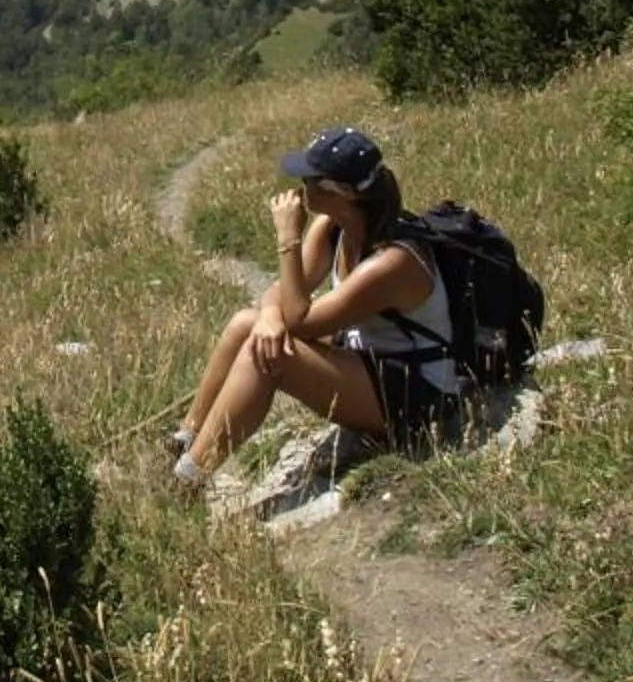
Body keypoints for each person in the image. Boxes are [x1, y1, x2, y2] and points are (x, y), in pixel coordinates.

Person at [172, 125, 462, 489]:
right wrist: (268, 315)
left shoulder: (392, 262)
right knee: (246, 324)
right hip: (371, 361)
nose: (298, 187)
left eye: (308, 179)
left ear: (335, 192)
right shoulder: (334, 226)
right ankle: (184, 441)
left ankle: (187, 482)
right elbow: (282, 292)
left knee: (268, 356)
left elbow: (299, 319)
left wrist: (287, 239)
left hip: (416, 391)